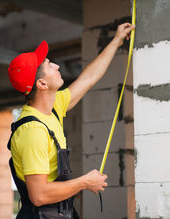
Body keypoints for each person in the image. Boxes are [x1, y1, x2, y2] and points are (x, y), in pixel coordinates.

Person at [7, 23, 135, 218]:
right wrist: (85, 182)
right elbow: (39, 195)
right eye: (49, 65)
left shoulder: (54, 107)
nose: (57, 66)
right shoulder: (32, 131)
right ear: (41, 84)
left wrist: (116, 41)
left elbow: (88, 78)